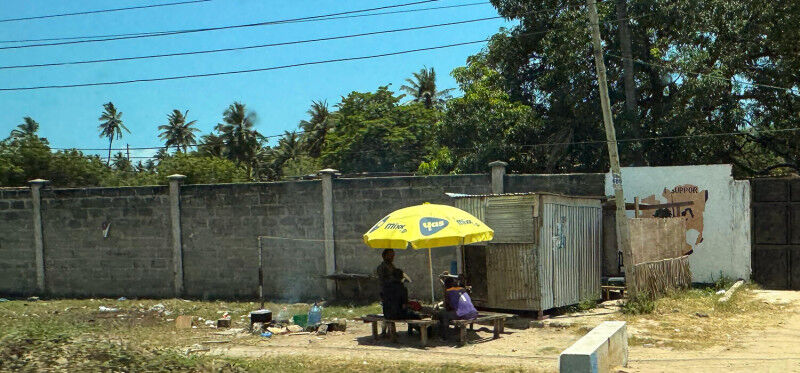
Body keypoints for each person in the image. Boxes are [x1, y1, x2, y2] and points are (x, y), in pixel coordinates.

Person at [376, 249, 419, 320]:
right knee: (415, 316)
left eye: (393, 255)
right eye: (390, 255)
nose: (392, 257)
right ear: (384, 256)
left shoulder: (392, 267)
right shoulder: (382, 268)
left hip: (389, 312)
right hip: (395, 313)